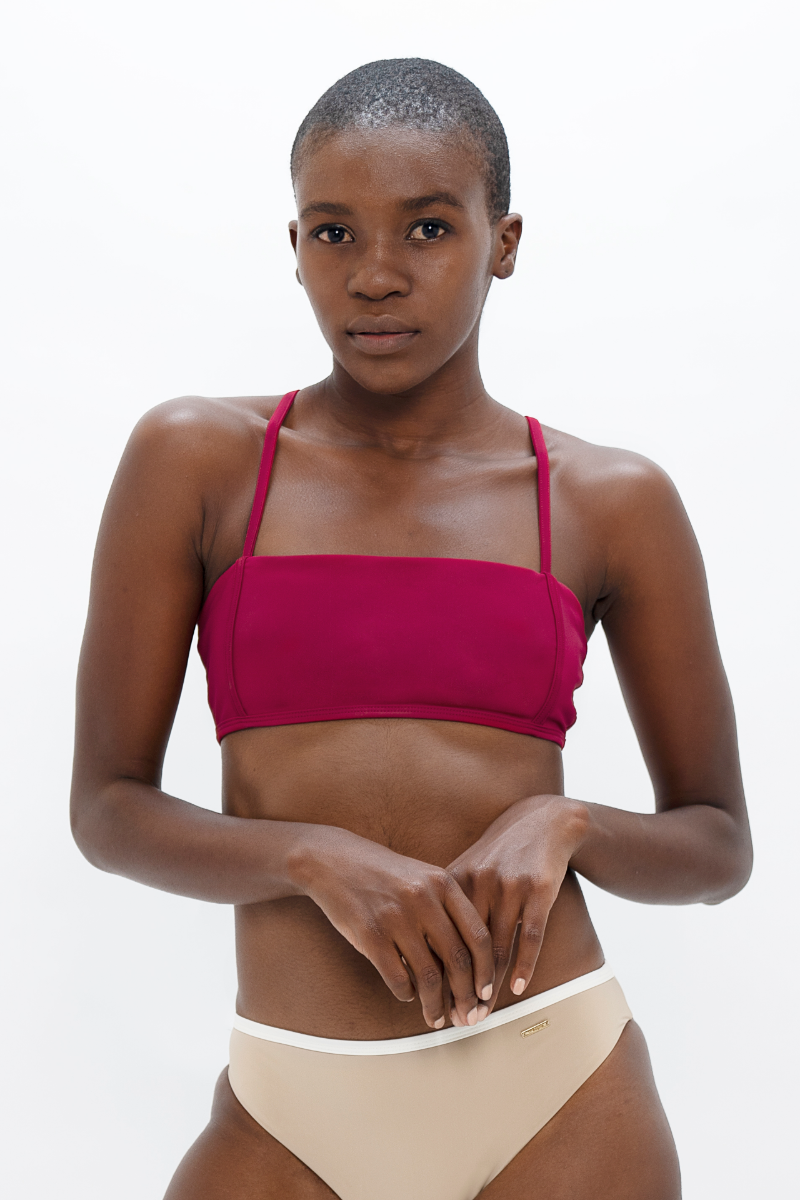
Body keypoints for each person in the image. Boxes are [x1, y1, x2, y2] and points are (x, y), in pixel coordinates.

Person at [71, 58, 752, 1200]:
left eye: (426, 227)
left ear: (504, 239)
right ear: (293, 247)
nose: (375, 276)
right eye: (333, 233)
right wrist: (311, 855)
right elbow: (106, 812)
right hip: (288, 1099)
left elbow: (715, 845)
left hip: (557, 1090)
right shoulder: (195, 462)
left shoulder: (603, 499)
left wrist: (565, 820)